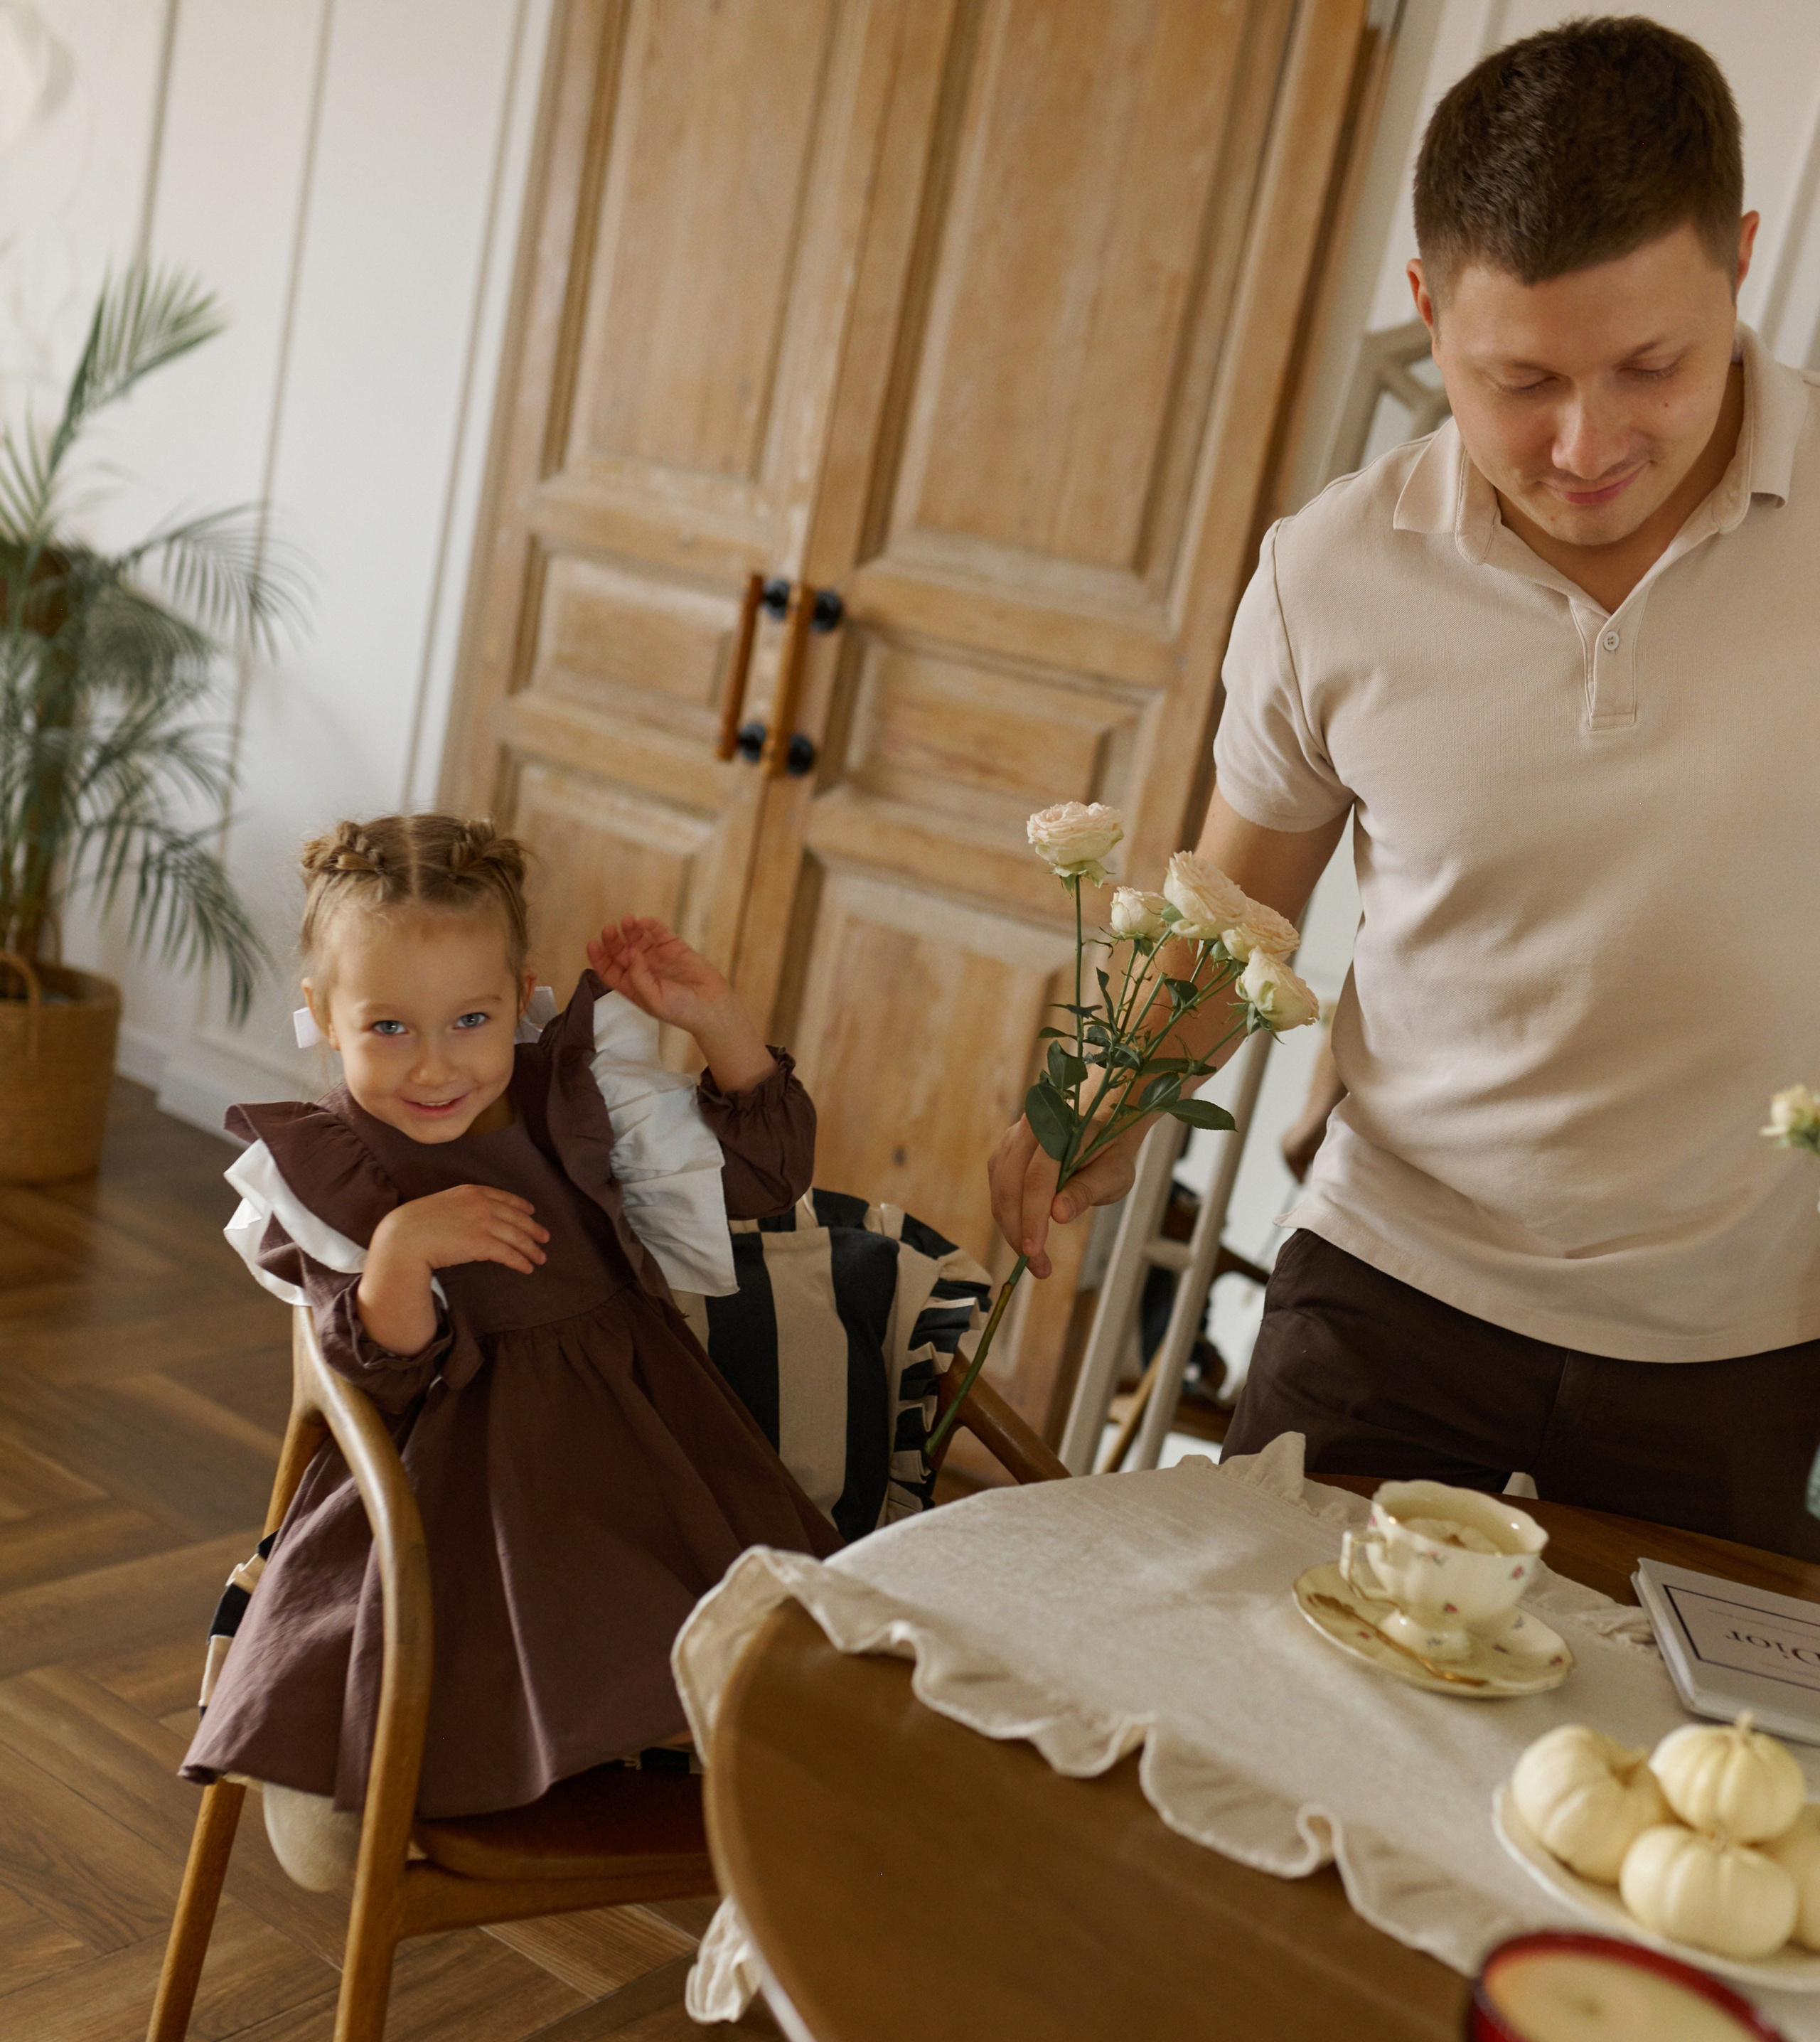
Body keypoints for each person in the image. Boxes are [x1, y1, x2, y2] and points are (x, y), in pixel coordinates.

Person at [988, 16, 1820, 1556]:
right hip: (1391, 1283)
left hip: (1741, 1339)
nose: (1584, 445)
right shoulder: (1329, 573)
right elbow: (1236, 908)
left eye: (1651, 365)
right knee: (1256, 1713)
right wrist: (1097, 1099)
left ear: (1740, 267)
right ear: (1428, 312)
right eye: (1520, 380)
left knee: (1662, 1791)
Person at [183, 813, 838, 1890]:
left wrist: (716, 1021)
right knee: (472, 1648)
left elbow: (763, 1181)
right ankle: (506, 1759)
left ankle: (673, 1750)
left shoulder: (575, 1098)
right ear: (321, 1017)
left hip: (648, 1448)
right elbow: (374, 1376)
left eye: (472, 1019)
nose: (436, 1065)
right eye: (387, 1027)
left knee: (769, 1654)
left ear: (521, 995)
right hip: (468, 1479)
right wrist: (399, 1256)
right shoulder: (334, 1166)